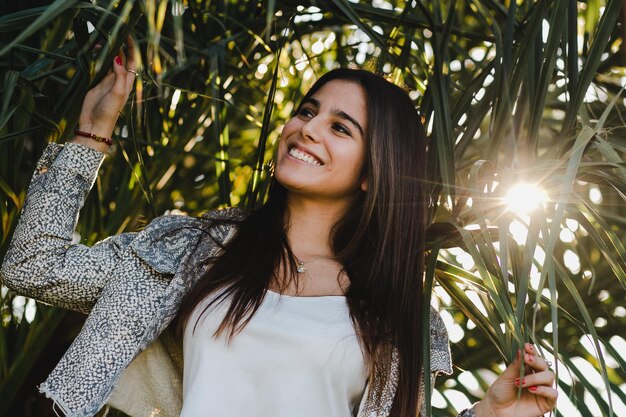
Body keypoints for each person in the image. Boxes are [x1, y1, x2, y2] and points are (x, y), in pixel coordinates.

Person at [0, 37, 557, 417]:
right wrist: (90, 137)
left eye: (340, 127)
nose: (307, 128)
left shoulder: (393, 312)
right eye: (307, 111)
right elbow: (32, 265)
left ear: (375, 171)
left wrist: (490, 413)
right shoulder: (192, 252)